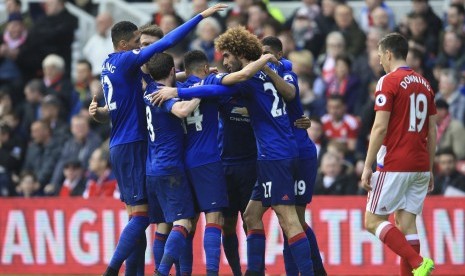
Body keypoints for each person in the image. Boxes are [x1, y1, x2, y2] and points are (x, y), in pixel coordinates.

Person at [152, 26, 313, 276]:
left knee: (289, 219)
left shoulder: (245, 81)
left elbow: (214, 90)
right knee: (251, 214)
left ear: (239, 53)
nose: (224, 61)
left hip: (275, 155)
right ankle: (254, 272)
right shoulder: (279, 69)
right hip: (275, 153)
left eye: (227, 55)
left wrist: (177, 91)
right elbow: (287, 73)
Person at [88, 4, 227, 275]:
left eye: (148, 46)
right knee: (148, 218)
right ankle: (117, 270)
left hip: (128, 147)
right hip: (138, 146)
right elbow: (171, 44)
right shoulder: (135, 69)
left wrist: (101, 113)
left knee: (157, 219)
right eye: (140, 45)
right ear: (126, 44)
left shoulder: (113, 67)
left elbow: (121, 104)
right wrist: (200, 16)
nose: (145, 51)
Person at [360, 33, 436, 276]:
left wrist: (367, 165)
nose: (380, 60)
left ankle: (418, 262)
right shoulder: (425, 83)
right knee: (406, 225)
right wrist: (430, 168)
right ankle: (416, 267)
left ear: (389, 54)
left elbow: (380, 127)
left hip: (395, 163)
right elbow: (432, 130)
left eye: (380, 55)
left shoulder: (387, 81)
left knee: (372, 221)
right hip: (421, 164)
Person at [262, 36, 326, 275]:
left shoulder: (287, 74)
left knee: (294, 220)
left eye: (268, 52)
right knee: (286, 220)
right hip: (275, 155)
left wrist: (267, 68)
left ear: (279, 55)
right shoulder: (255, 78)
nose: (264, 57)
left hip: (299, 153)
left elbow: (290, 93)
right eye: (261, 53)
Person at [144, 53, 200, 276]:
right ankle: (163, 272)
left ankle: (163, 270)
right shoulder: (161, 94)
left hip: (152, 168)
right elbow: (182, 110)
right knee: (184, 223)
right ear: (170, 72)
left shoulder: (147, 90)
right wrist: (200, 92)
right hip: (169, 168)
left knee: (163, 226)